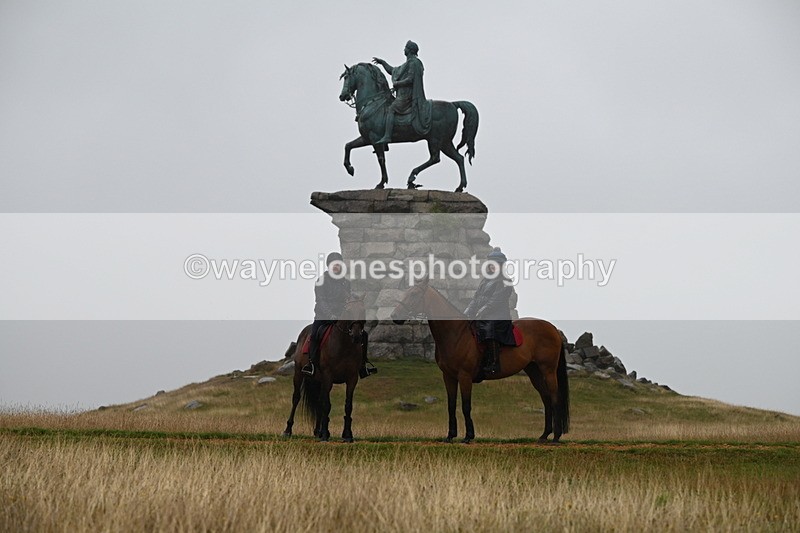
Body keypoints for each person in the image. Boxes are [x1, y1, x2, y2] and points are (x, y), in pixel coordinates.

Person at [301, 252, 376, 378]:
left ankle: (363, 366)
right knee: (314, 335)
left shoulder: (345, 282)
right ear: (329, 266)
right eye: (333, 265)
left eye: (338, 265)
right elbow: (321, 300)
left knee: (363, 334)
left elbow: (349, 297)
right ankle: (311, 365)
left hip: (342, 316)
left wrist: (357, 299)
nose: (336, 267)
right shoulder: (321, 281)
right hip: (323, 316)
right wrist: (330, 315)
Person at [464, 247, 515, 376]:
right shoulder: (485, 281)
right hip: (484, 313)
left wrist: (479, 313)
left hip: (498, 315)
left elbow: (495, 301)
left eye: (497, 264)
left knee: (489, 328)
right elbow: (475, 299)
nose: (493, 267)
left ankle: (493, 364)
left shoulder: (505, 282)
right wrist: (467, 312)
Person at [372, 40, 432, 143]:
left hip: (407, 97)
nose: (404, 49)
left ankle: (387, 136)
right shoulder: (407, 64)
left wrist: (397, 84)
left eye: (405, 47)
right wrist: (382, 63)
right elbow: (393, 70)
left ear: (409, 50)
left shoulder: (414, 62)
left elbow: (410, 79)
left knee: (391, 109)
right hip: (402, 96)